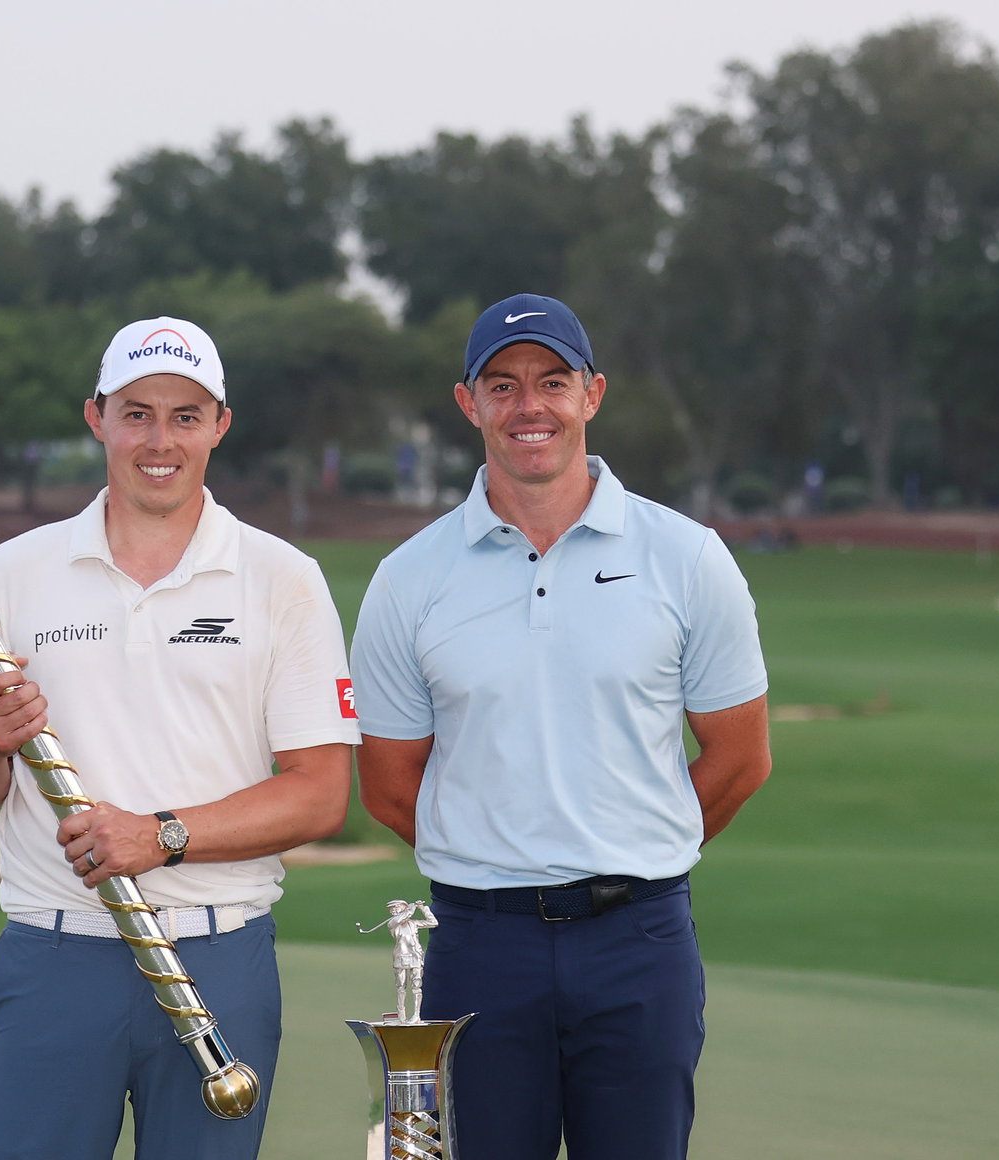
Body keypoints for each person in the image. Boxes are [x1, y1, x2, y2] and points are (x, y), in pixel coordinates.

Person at [350, 293, 771, 1160]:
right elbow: (391, 787)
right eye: (501, 386)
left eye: (553, 381)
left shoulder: (687, 557)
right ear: (468, 404)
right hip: (478, 946)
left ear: (592, 394)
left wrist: (633, 844)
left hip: (639, 941)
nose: (528, 406)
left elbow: (738, 759)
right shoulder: (407, 578)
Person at [0, 316, 361, 1160]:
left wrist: (159, 836)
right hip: (54, 953)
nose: (159, 440)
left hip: (221, 954)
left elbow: (320, 793)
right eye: (137, 413)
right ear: (97, 417)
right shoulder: (18, 569)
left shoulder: (284, 578)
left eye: (185, 415)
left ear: (220, 425)